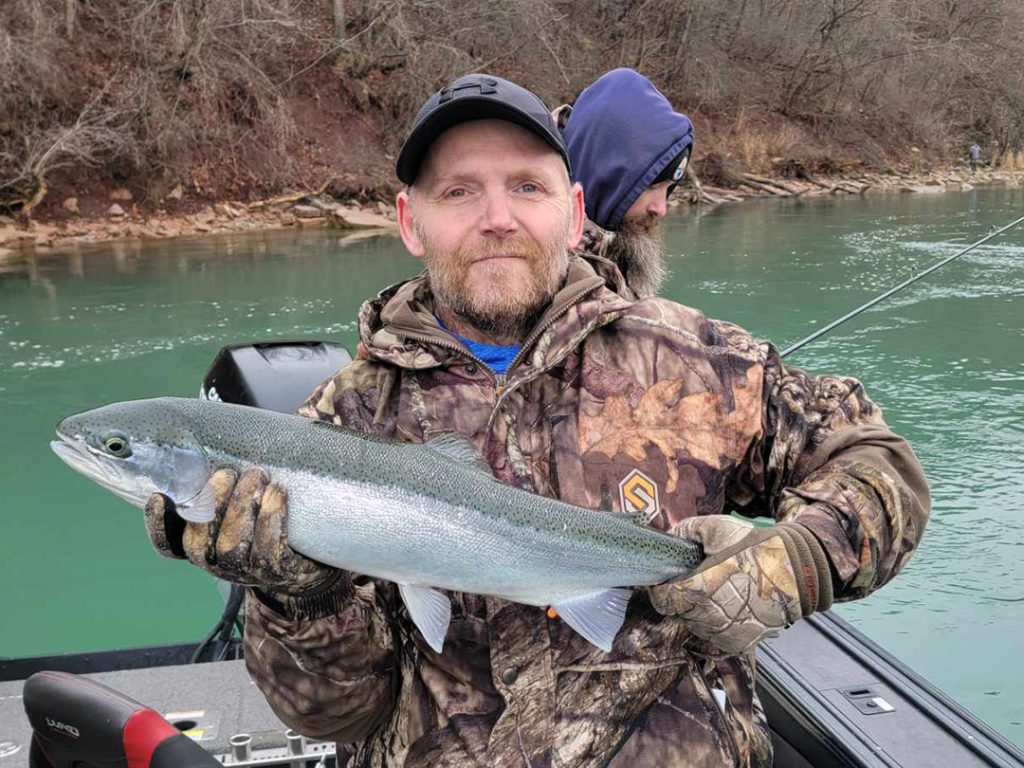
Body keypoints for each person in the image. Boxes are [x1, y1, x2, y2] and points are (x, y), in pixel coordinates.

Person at [144, 73, 930, 767]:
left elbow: (876, 466)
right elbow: (335, 713)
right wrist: (295, 595)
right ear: (410, 221)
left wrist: (788, 564)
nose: (497, 218)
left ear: (574, 208)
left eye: (527, 186)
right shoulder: (342, 418)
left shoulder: (701, 362)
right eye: (459, 191)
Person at [553, 69, 694, 299]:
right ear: (603, 173)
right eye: (651, 186)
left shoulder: (616, 254)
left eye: (668, 188)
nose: (661, 208)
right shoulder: (548, 269)